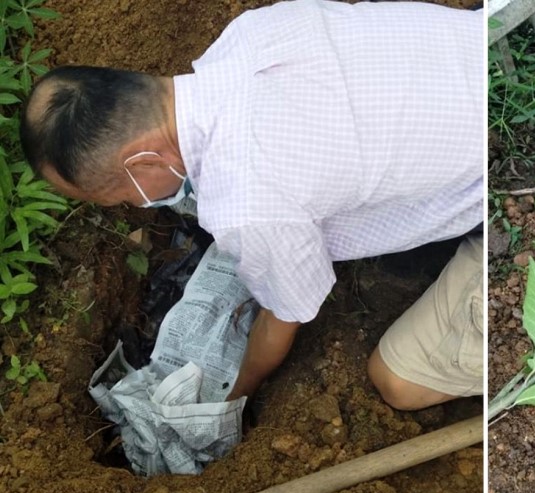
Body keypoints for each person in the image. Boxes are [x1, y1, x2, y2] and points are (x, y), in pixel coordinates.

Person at [20, 0, 484, 411]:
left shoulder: (246, 205)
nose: (136, 206)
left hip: (517, 180)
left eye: (122, 195)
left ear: (144, 159)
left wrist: (237, 393)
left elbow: (288, 313)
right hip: (498, 49)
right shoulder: (249, 32)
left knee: (397, 381)